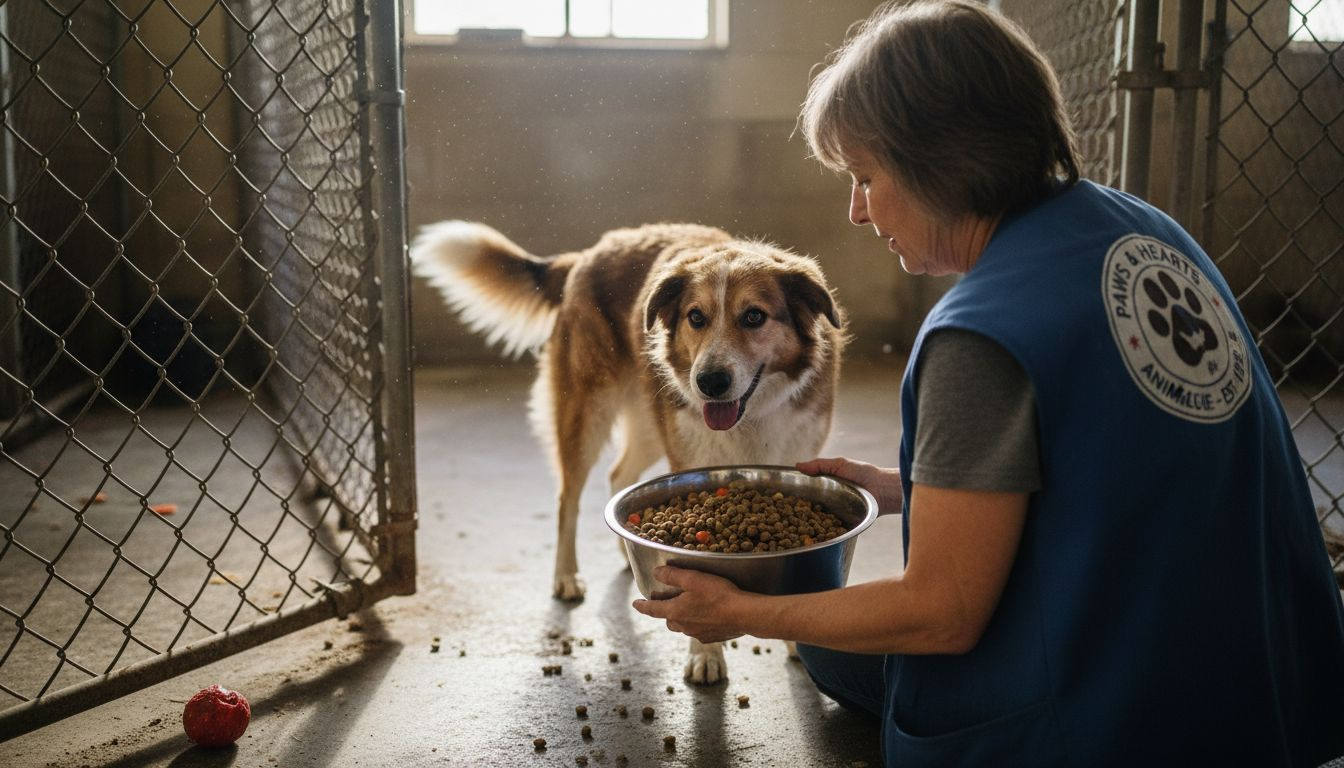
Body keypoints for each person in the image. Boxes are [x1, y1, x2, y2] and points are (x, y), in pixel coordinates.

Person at [630, 1, 1344, 765]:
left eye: (867, 176)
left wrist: (742, 611)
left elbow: (944, 614)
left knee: (830, 640)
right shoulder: (1148, 232)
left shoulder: (982, 332)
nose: (858, 211)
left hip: (1124, 715)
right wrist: (910, 481)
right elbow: (1108, 453)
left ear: (943, 161)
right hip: (1274, 675)